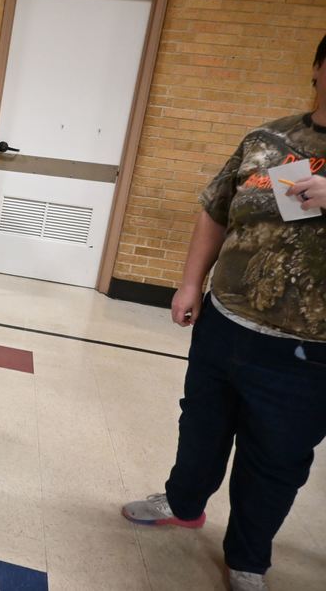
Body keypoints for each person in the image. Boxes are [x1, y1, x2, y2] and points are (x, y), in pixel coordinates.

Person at [121, 33, 326, 591]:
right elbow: (216, 211)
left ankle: (248, 558)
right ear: (317, 67)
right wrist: (191, 283)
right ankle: (184, 503)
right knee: (202, 426)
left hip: (308, 350)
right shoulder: (269, 139)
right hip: (226, 321)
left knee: (277, 457)